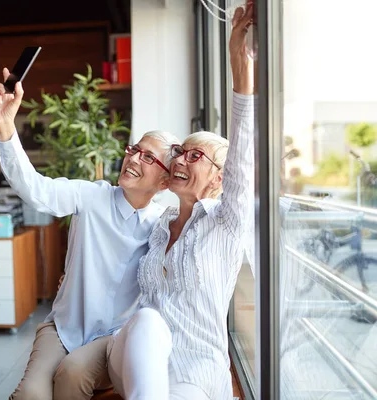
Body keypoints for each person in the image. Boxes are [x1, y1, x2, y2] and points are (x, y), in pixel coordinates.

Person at [0, 67, 180, 399]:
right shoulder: (92, 197)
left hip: (112, 338)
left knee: (72, 374)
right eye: (134, 149)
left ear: (164, 182)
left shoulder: (163, 224)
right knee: (30, 394)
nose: (133, 158)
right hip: (63, 328)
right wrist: (5, 128)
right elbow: (36, 189)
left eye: (148, 157)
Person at [105, 5, 255, 400]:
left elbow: (243, 153)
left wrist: (239, 66)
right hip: (136, 356)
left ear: (219, 178)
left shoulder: (227, 223)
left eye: (194, 156)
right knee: (149, 321)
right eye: (180, 153)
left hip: (196, 367)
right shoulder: (158, 223)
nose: (180, 161)